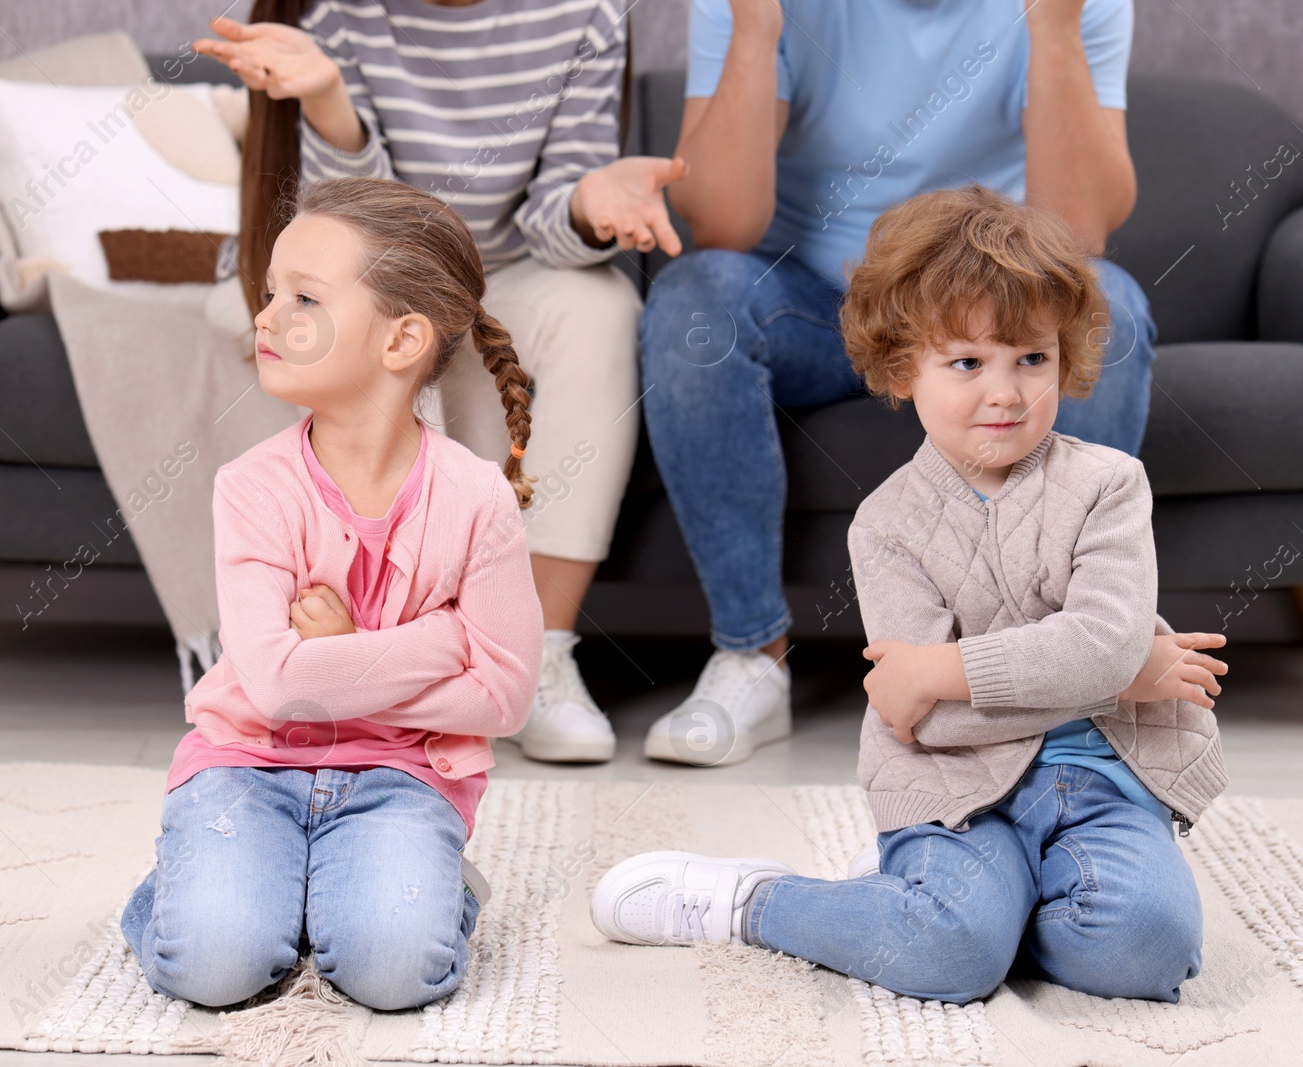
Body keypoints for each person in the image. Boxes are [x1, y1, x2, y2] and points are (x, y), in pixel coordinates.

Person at [591, 188, 1229, 1005]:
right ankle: (758, 902)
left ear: (1064, 359)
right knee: (949, 958)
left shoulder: (1110, 485)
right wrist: (1118, 673)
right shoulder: (887, 526)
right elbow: (924, 717)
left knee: (1147, 950)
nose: (1005, 392)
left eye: (1031, 358)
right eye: (967, 362)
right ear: (902, 368)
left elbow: (1056, 653)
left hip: (1102, 784)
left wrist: (950, 668)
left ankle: (946, 911)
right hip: (959, 789)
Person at [638, 0, 1155, 765]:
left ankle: (1042, 658)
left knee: (1111, 308)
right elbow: (720, 224)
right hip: (808, 308)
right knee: (694, 301)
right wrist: (755, 30)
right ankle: (752, 656)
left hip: (987, 317)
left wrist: (1052, 28)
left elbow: (1076, 237)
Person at [193, 0, 684, 763]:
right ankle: (425, 640)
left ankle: (539, 647)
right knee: (359, 323)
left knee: (603, 306)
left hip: (517, 265)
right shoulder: (341, 17)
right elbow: (349, 230)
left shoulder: (585, 14)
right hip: (377, 275)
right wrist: (329, 104)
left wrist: (590, 203)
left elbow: (552, 218)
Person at [120, 177, 543, 1010]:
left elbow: (508, 696)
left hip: (402, 775)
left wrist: (338, 650)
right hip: (247, 768)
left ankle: (409, 887)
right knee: (214, 965)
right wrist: (443, 639)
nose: (266, 316)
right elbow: (275, 685)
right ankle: (186, 883)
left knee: (395, 973)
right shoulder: (252, 488)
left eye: (304, 297)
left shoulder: (478, 498)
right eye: (272, 292)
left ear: (401, 340)